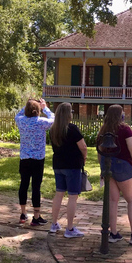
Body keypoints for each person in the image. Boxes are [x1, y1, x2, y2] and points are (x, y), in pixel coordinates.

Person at [97, 105, 132, 245]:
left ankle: (113, 233)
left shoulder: (103, 129)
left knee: (112, 201)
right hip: (122, 165)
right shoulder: (125, 129)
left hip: (107, 164)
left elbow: (99, 150)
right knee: (131, 200)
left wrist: (102, 168)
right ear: (120, 115)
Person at [48, 102, 87, 238]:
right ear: (67, 114)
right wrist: (84, 157)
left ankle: (54, 223)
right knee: (72, 196)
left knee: (59, 194)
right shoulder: (72, 129)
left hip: (58, 165)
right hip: (72, 165)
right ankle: (69, 228)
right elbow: (83, 146)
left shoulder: (53, 129)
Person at [15, 98, 54, 225]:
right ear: (37, 111)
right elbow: (53, 119)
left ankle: (23, 213)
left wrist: (27, 103)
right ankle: (36, 216)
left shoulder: (21, 121)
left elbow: (18, 115)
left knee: (24, 184)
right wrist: (45, 108)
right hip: (38, 159)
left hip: (24, 158)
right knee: (36, 187)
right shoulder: (41, 122)